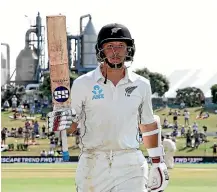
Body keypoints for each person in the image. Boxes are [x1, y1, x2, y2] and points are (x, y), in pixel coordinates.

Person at [48, 23, 169, 192]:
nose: (115, 51)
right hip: (92, 163)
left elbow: (148, 124)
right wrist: (60, 121)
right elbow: (72, 127)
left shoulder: (142, 85)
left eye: (121, 46)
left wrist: (157, 162)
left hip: (130, 162)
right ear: (101, 50)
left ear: (129, 50)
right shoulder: (83, 83)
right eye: (110, 46)